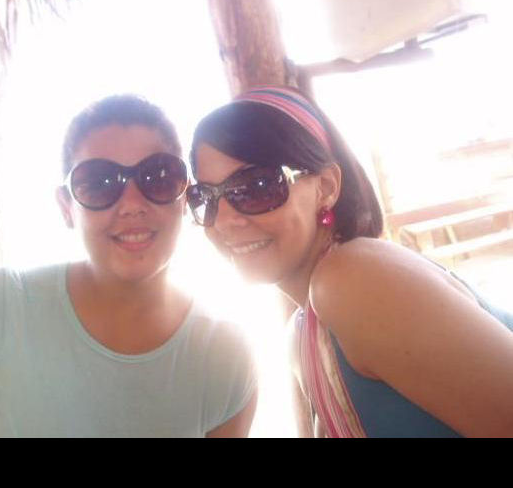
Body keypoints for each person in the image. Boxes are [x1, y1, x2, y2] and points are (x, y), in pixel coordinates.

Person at [187, 84, 513, 438]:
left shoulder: (350, 281)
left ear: (326, 187)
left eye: (257, 186)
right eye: (205, 197)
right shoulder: (302, 332)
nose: (224, 220)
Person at [0, 94, 256, 437]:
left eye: (158, 177)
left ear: (184, 196)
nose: (132, 204)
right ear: (66, 207)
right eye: (99, 183)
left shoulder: (225, 359)